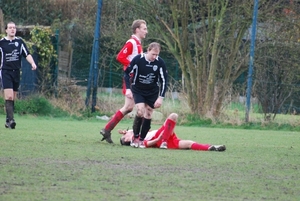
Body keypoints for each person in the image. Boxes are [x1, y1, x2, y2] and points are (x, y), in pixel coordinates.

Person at [100, 19, 148, 143]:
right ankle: (136, 137)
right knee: (138, 107)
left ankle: (108, 129)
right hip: (131, 79)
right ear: (137, 29)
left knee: (129, 107)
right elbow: (120, 57)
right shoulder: (132, 42)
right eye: (144, 28)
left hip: (135, 79)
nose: (146, 31)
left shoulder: (138, 43)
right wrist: (133, 65)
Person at [124, 42, 168, 148]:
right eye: (153, 54)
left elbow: (164, 81)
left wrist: (160, 98)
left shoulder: (160, 63)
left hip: (152, 91)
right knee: (140, 111)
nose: (155, 57)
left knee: (148, 113)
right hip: (138, 89)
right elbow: (126, 73)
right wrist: (128, 89)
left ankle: (142, 140)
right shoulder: (138, 59)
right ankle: (135, 137)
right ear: (148, 50)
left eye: (157, 55)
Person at [119, 113, 226, 151]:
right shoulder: (137, 141)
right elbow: (147, 144)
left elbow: (134, 130)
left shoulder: (135, 134)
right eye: (126, 134)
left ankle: (210, 147)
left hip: (165, 138)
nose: (127, 132)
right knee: (173, 116)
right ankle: (165, 141)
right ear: (127, 139)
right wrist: (159, 138)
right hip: (160, 139)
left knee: (189, 144)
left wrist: (126, 131)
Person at [0, 21, 37, 129]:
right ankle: (11, 121)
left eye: (14, 28)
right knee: (9, 96)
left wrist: (33, 63)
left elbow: (27, 54)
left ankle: (8, 119)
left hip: (16, 72)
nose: (12, 29)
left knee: (13, 98)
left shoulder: (19, 42)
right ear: (6, 30)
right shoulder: (1, 43)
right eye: (10, 28)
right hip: (5, 71)